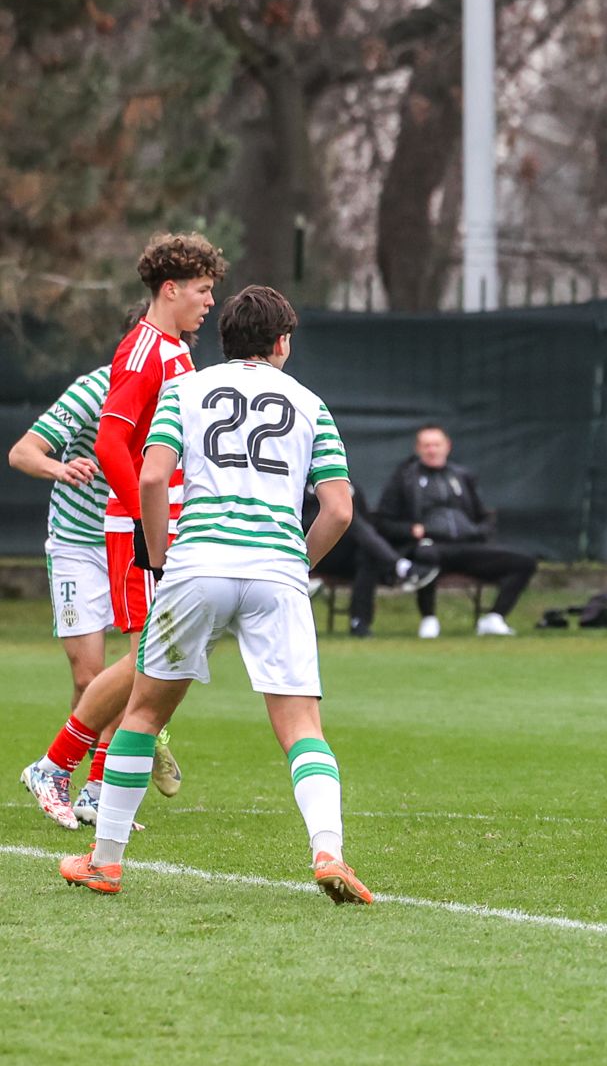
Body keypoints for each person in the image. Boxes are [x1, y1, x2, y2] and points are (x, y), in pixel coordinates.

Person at [58, 284, 372, 903]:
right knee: (302, 725)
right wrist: (293, 563)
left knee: (145, 713)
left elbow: (151, 474)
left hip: (196, 563)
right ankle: (328, 850)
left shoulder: (183, 389)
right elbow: (338, 509)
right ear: (281, 342)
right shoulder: (310, 403)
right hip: (277, 572)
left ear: (225, 340)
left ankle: (106, 862)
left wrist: (157, 554)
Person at [18, 234, 223, 829]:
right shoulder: (142, 353)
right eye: (204, 291)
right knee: (144, 660)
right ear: (171, 289)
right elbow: (111, 442)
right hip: (135, 529)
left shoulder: (173, 352)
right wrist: (143, 518)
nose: (209, 302)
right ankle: (57, 766)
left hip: (166, 524)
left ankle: (94, 786)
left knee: (156, 659)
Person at [10, 362, 118, 823]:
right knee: (89, 676)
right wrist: (60, 467)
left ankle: (97, 791)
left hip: (131, 542)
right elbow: (22, 452)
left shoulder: (180, 389)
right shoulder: (96, 387)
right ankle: (56, 772)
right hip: (77, 544)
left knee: (137, 670)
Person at [373, 425, 537, 638]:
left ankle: (494, 617)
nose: (432, 450)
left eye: (436, 445)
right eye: (426, 445)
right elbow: (384, 522)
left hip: (468, 547)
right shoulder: (404, 479)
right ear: (418, 449)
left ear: (447, 447)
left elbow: (484, 516)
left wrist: (478, 531)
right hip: (430, 547)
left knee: (524, 562)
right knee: (426, 555)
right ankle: (429, 619)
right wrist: (411, 530)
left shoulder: (462, 476)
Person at [306, 483, 437, 637]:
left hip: (344, 555)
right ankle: (399, 567)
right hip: (312, 555)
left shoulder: (347, 484)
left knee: (368, 554)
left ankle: (359, 622)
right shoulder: (300, 483)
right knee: (343, 516)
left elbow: (366, 523)